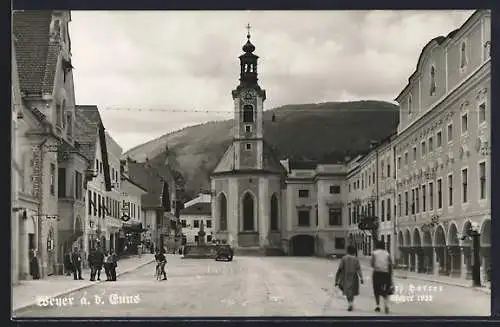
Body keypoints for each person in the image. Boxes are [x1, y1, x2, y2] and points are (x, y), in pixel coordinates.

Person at [335, 245, 363, 311]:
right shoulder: (356, 259)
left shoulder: (344, 258)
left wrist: (337, 279)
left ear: (347, 251)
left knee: (347, 291)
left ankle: (350, 303)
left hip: (345, 277)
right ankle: (351, 303)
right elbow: (358, 269)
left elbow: (340, 269)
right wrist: (361, 278)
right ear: (353, 251)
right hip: (354, 277)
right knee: (352, 291)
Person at [371, 240, 393, 314]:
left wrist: (377, 265)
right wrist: (390, 275)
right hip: (385, 274)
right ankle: (386, 304)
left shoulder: (374, 253)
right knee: (385, 290)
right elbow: (390, 264)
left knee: (376, 289)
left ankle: (377, 305)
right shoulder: (387, 254)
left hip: (377, 273)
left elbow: (372, 264)